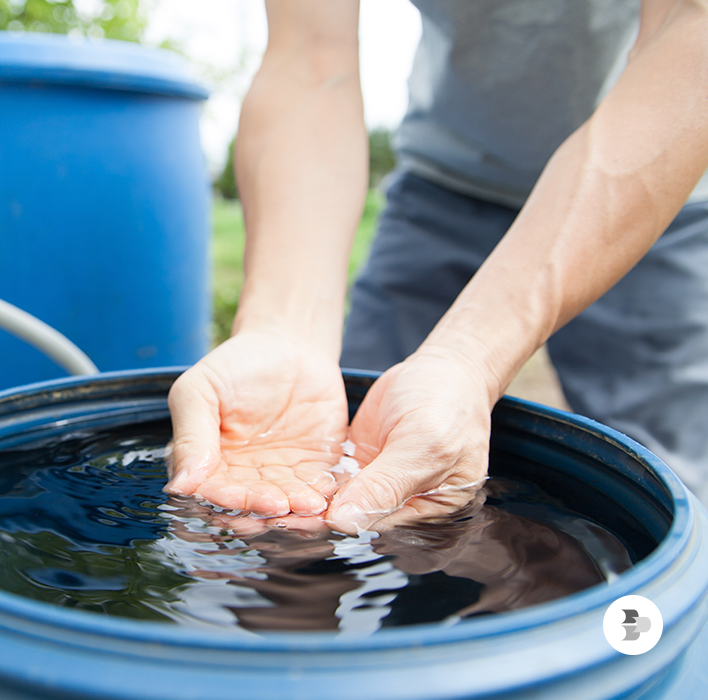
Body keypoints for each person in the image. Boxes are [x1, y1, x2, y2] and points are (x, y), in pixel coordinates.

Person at [165, 0, 708, 533]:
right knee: (360, 450)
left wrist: (468, 358)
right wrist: (282, 329)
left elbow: (691, 33)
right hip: (445, 181)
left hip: (656, 186)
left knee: (665, 501)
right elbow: (310, 60)